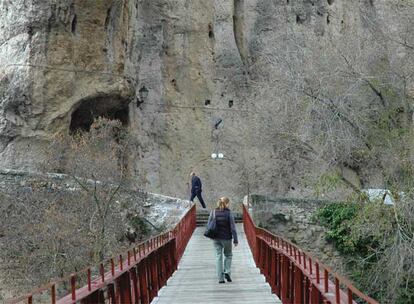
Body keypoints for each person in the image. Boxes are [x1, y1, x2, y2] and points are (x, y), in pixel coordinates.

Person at [207, 197, 238, 283]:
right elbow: (233, 228)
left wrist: (210, 236)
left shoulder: (213, 212)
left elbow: (209, 224)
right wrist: (235, 240)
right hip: (227, 238)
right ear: (227, 203)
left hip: (216, 238)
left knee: (218, 256)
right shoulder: (229, 213)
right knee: (228, 255)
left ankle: (220, 278)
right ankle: (227, 271)